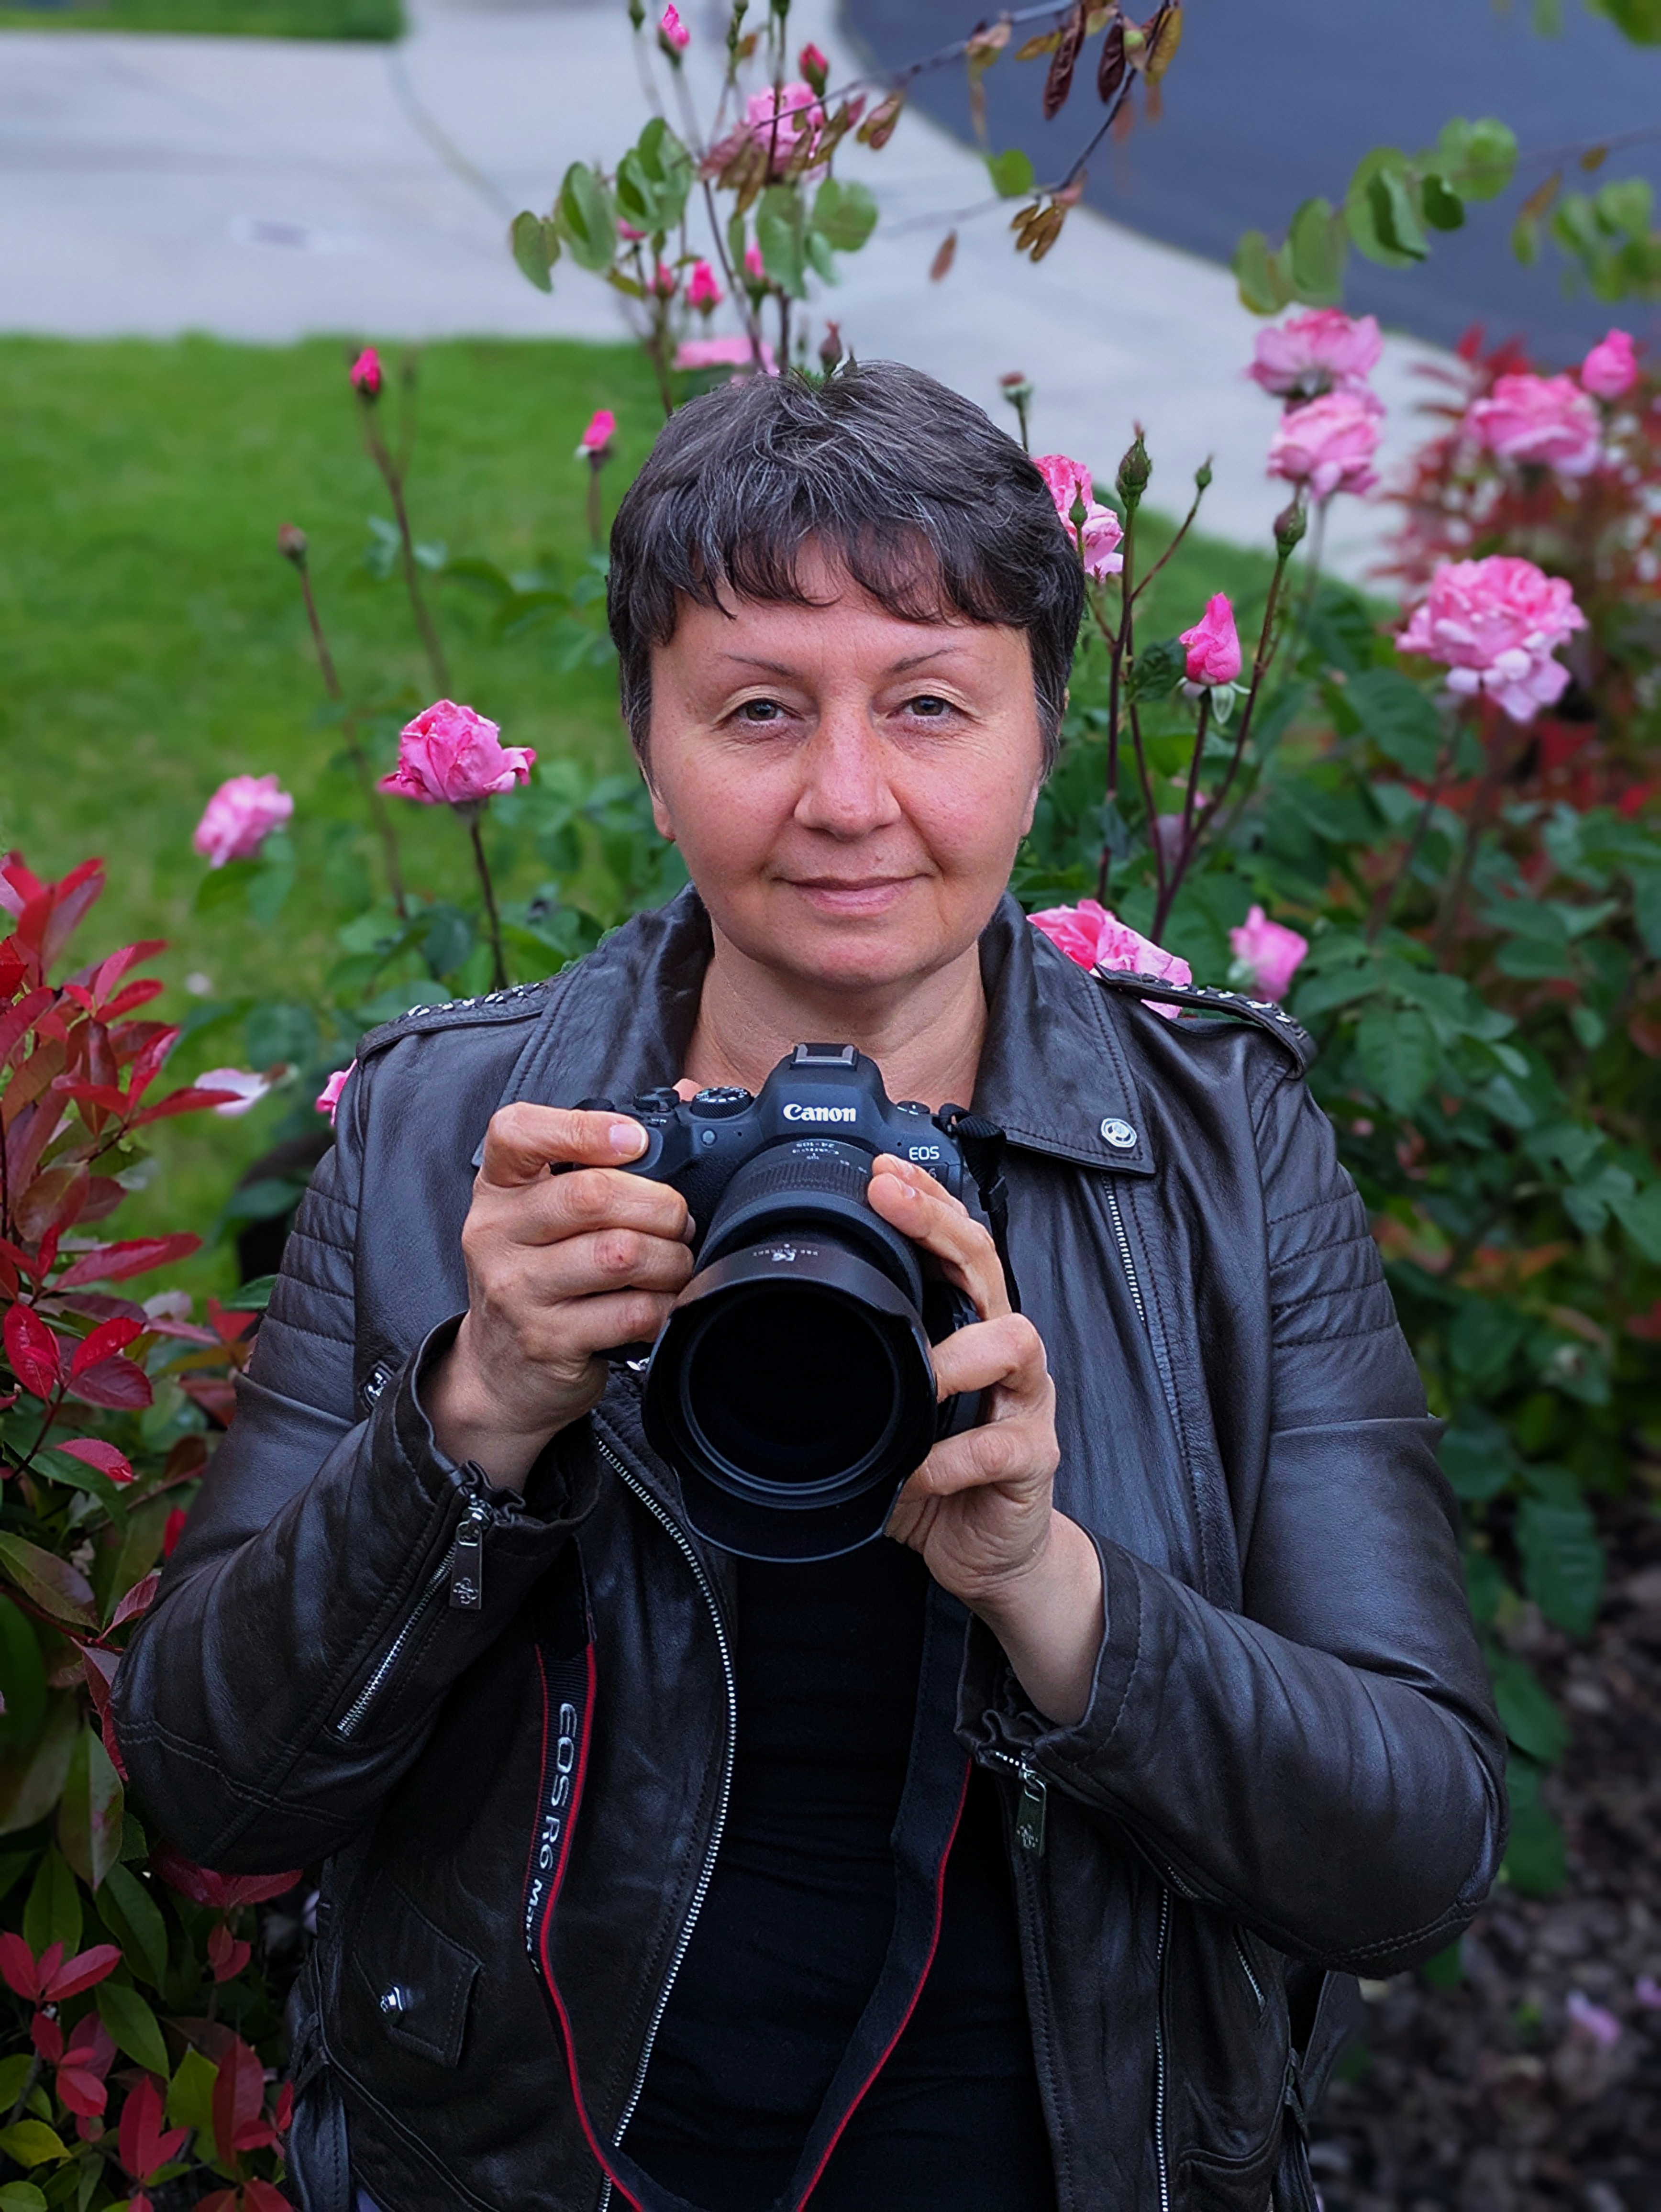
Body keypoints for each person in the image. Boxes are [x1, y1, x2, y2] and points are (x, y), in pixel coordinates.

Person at [116, 361, 1506, 2212]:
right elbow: (213, 1789)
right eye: (760, 710)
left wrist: (1054, 1584)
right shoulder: (448, 1129)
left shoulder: (1223, 1154)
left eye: (932, 705)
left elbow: (1412, 1852)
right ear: (649, 741)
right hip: (541, 2164)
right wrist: (472, 1421)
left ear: (1042, 737)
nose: (849, 800)